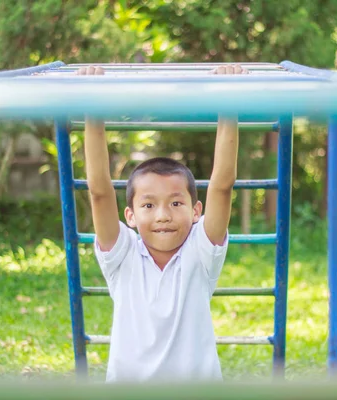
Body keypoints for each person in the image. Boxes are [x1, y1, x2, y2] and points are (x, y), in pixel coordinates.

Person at [81, 64, 246, 382]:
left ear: (196, 210)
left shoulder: (201, 252)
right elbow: (100, 191)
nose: (162, 215)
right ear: (129, 216)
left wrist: (230, 103)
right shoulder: (123, 256)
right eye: (148, 205)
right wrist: (92, 108)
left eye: (175, 203)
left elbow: (222, 185)